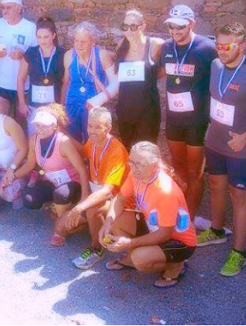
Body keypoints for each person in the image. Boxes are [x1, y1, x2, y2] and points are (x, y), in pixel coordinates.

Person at [197, 22, 246, 277]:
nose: (221, 50)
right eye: (218, 45)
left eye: (228, 46)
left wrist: (245, 137)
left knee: (239, 196)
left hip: (241, 148)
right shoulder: (215, 65)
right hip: (215, 142)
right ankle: (216, 230)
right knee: (216, 186)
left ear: (242, 46)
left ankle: (239, 252)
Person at [100, 142, 197, 289]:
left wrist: (129, 243)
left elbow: (165, 234)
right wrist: (107, 223)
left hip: (178, 241)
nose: (133, 168)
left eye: (140, 164)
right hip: (153, 227)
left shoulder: (165, 191)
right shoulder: (135, 175)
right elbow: (119, 199)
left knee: (140, 259)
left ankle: (176, 266)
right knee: (114, 220)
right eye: (131, 162)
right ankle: (131, 258)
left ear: (154, 165)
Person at [157, 5, 217, 217]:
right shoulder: (166, 47)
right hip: (174, 118)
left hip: (196, 120)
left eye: (180, 27)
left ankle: (190, 218)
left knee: (195, 172)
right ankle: (179, 212)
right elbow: (157, 72)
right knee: (178, 167)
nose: (175, 31)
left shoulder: (207, 48)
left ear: (192, 24)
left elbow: (220, 79)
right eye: (171, 26)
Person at [59, 107, 130, 270]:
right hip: (99, 193)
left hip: (119, 200)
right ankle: (96, 227)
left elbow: (106, 191)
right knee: (60, 228)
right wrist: (64, 134)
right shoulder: (93, 141)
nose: (92, 131)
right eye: (90, 126)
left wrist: (80, 207)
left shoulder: (116, 151)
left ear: (108, 128)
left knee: (92, 209)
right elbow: (82, 152)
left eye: (98, 127)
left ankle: (96, 249)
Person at [14, 105, 88, 245]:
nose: (40, 129)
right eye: (37, 125)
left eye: (44, 125)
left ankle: (60, 230)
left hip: (73, 182)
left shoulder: (64, 142)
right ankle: (60, 206)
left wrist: (84, 198)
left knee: (61, 193)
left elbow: (82, 169)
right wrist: (12, 176)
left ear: (54, 126)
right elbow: (30, 164)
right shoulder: (33, 139)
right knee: (29, 198)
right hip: (53, 181)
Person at [114, 9, 165, 150]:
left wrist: (149, 77)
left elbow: (166, 68)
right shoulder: (121, 45)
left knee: (145, 152)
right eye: (125, 26)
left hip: (147, 111)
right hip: (125, 109)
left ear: (143, 26)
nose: (129, 31)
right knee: (127, 151)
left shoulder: (155, 45)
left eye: (133, 26)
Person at [61, 21, 117, 143]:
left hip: (93, 106)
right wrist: (62, 106)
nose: (78, 45)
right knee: (72, 140)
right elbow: (66, 83)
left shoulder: (102, 55)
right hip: (72, 104)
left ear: (93, 42)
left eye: (83, 42)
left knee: (93, 140)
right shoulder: (69, 56)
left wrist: (99, 100)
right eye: (76, 41)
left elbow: (115, 83)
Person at [0, 0, 37, 118]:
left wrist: (23, 55)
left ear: (19, 9)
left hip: (23, 85)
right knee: (1, 122)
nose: (5, 11)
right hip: (1, 83)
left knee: (21, 124)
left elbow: (36, 56)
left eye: (9, 7)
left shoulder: (30, 27)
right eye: (3, 8)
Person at [17, 17, 66, 135]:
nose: (42, 41)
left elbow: (66, 82)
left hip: (54, 106)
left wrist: (62, 106)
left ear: (53, 35)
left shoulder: (62, 54)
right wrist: (22, 103)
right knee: (34, 136)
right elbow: (20, 78)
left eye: (46, 37)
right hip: (33, 106)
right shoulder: (31, 53)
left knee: (53, 137)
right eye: (39, 37)